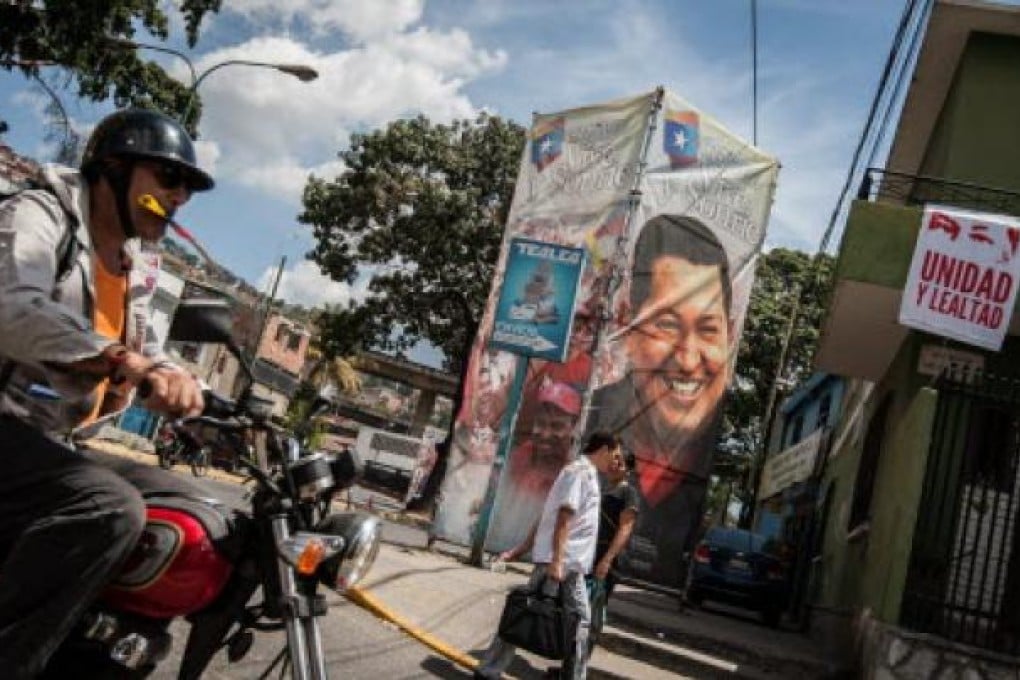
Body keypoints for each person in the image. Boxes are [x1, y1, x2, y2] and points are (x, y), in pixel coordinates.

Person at [0, 108, 212, 677]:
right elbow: (12, 308)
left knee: (200, 510)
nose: (180, 196)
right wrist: (121, 358)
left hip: (54, 440)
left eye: (188, 186)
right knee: (107, 507)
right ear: (113, 169)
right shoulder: (40, 213)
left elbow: (153, 348)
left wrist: (186, 385)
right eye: (169, 179)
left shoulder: (132, 265)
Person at [585, 213, 732, 587]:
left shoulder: (699, 477)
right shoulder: (586, 422)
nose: (687, 359)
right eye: (666, 325)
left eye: (709, 329)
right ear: (629, 327)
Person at [475, 432, 619, 680]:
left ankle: (489, 670)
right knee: (566, 620)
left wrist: (522, 549)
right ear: (604, 449)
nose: (615, 462)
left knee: (534, 614)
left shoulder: (588, 475)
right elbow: (563, 516)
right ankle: (489, 670)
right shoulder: (578, 473)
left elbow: (547, 516)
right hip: (563, 564)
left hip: (567, 564)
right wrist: (557, 561)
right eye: (614, 456)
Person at [483, 380, 581, 552]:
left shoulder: (573, 475)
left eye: (557, 426)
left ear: (573, 427)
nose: (545, 434)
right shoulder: (518, 457)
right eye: (541, 424)